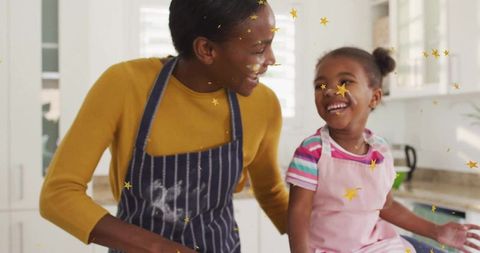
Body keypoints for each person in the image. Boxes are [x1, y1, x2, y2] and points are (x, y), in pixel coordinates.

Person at [39, 0, 289, 252]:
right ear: (206, 49)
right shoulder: (125, 85)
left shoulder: (262, 104)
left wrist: (323, 235)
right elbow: (59, 194)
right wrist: (162, 249)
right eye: (259, 49)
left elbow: (270, 192)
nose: (271, 59)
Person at [286, 47, 480, 253]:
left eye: (344, 82)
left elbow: (386, 206)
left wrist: (436, 231)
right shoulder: (312, 151)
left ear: (374, 97)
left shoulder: (380, 151)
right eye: (320, 85)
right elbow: (298, 214)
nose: (330, 90)